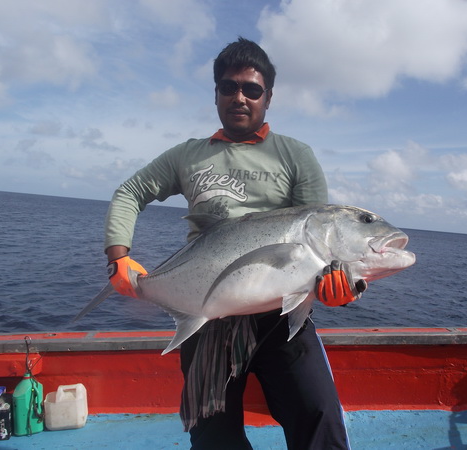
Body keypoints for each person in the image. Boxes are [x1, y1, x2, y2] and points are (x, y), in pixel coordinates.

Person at [103, 37, 366, 450]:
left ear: (268, 97)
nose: (239, 97)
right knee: (212, 436)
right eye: (229, 87)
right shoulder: (188, 155)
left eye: (252, 89)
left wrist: (337, 287)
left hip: (280, 316)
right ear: (216, 94)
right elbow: (130, 191)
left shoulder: (296, 156)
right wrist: (119, 257)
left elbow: (318, 241)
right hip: (208, 314)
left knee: (319, 416)